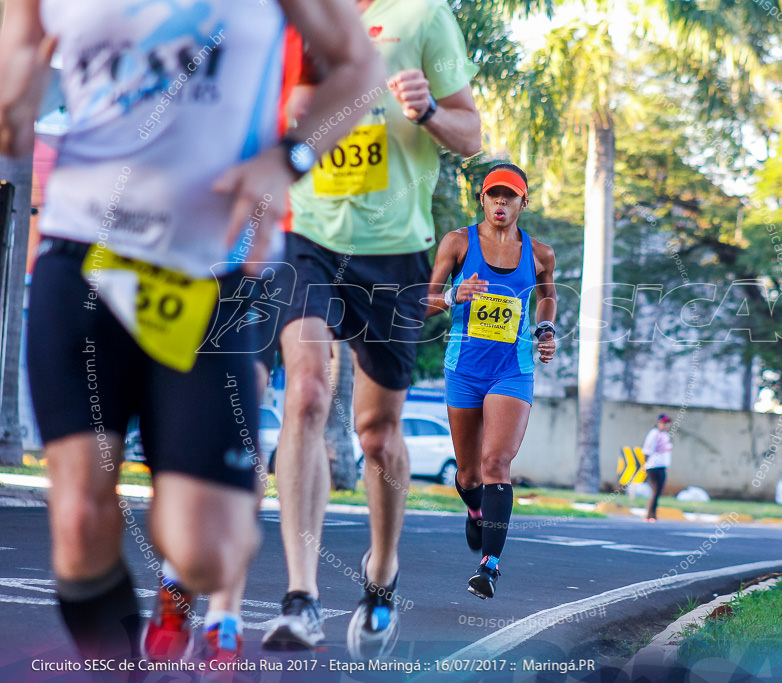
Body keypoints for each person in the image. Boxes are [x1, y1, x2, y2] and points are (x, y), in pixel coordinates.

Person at [0, 0, 383, 665]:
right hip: (81, 250)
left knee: (206, 549)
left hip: (209, 269)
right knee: (80, 517)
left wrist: (284, 159)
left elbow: (360, 68)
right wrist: (15, 96)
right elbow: (17, 72)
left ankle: (185, 525)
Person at [260, 0, 482, 658]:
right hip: (308, 236)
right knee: (303, 392)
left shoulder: (422, 16)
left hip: (396, 252)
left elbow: (471, 136)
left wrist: (429, 112)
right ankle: (301, 599)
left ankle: (381, 576)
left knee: (378, 435)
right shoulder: (297, 15)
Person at [424, 163, 557, 599]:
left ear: (523, 202)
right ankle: (476, 511)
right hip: (463, 369)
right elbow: (420, 302)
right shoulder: (458, 243)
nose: (501, 203)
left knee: (496, 464)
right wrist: (451, 296)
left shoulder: (540, 254)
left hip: (512, 369)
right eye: (494, 195)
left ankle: (489, 567)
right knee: (467, 473)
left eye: (510, 196)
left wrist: (545, 330)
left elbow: (547, 296)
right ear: (482, 199)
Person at [642, 415, 673, 521]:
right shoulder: (653, 434)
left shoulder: (666, 435)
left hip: (662, 467)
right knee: (655, 491)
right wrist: (645, 465)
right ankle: (650, 515)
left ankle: (652, 514)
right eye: (663, 423)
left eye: (667, 423)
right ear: (658, 423)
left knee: (658, 492)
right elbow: (647, 451)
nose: (665, 425)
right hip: (653, 467)